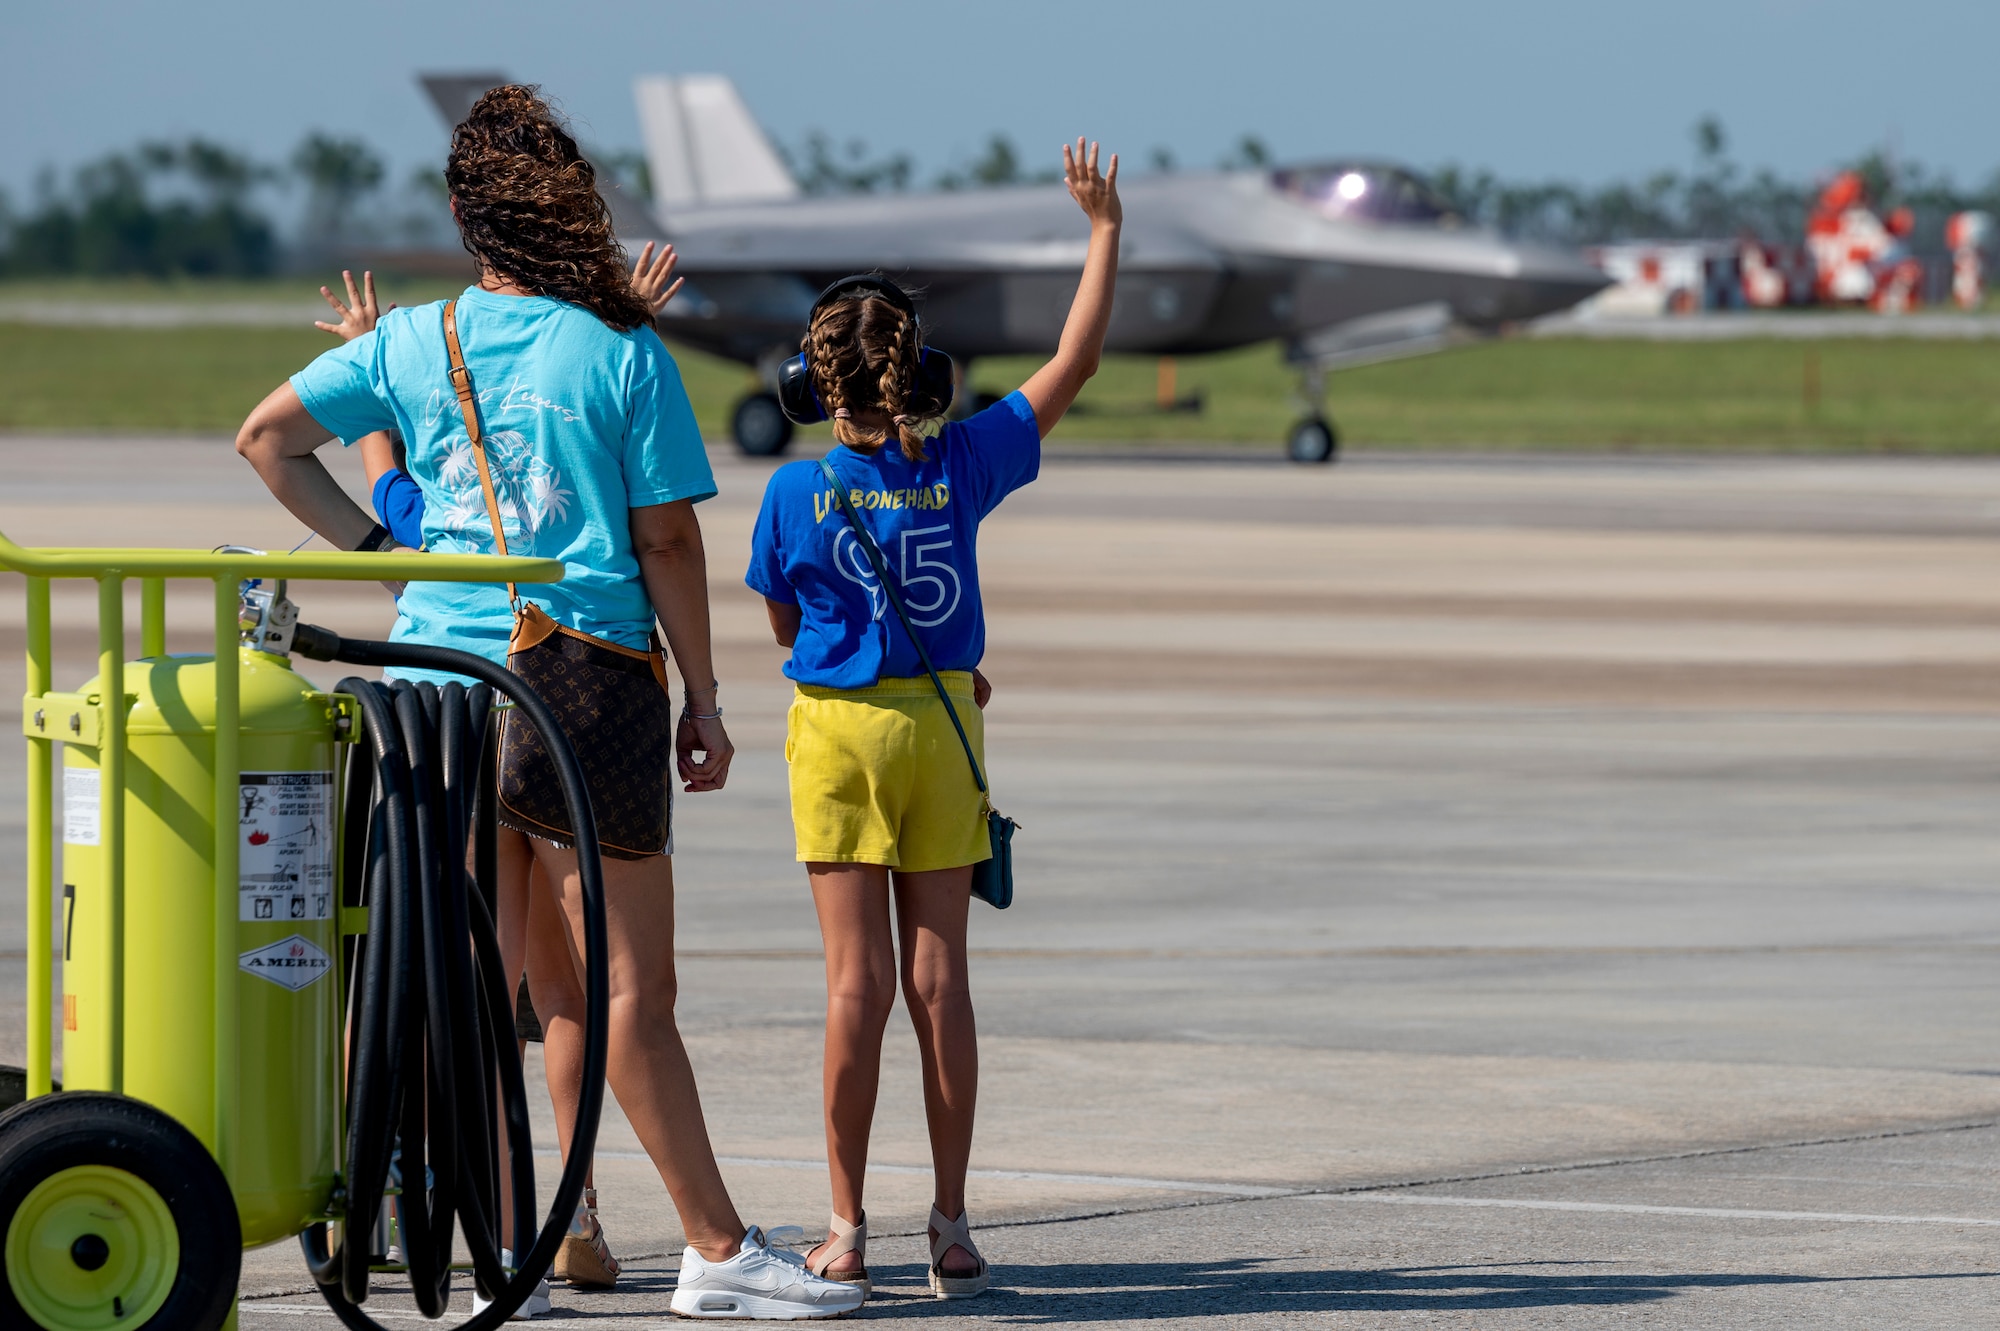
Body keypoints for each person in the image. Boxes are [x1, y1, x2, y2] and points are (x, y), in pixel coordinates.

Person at [237, 84, 865, 1321]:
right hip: (582, 694)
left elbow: (266, 438)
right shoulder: (622, 351)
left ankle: (463, 1223)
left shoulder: (412, 341)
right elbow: (669, 544)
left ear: (472, 223)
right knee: (625, 989)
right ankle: (713, 1245)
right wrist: (706, 695)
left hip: (433, 699)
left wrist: (383, 547)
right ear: (571, 210)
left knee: (458, 981)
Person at [745, 138, 1121, 1301]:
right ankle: (951, 1225)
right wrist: (1101, 229)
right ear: (924, 374)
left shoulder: (792, 490)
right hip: (943, 732)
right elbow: (1074, 360)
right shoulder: (961, 463)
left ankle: (845, 1228)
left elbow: (779, 622)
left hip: (839, 734)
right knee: (940, 981)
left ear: (815, 387)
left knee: (852, 987)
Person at [310, 244, 684, 1295]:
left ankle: (443, 1202)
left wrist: (370, 365)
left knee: (446, 978)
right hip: (561, 699)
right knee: (565, 990)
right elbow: (635, 497)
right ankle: (570, 1211)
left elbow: (381, 479)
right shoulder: (576, 454)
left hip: (447, 715)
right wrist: (626, 329)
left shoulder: (434, 521)